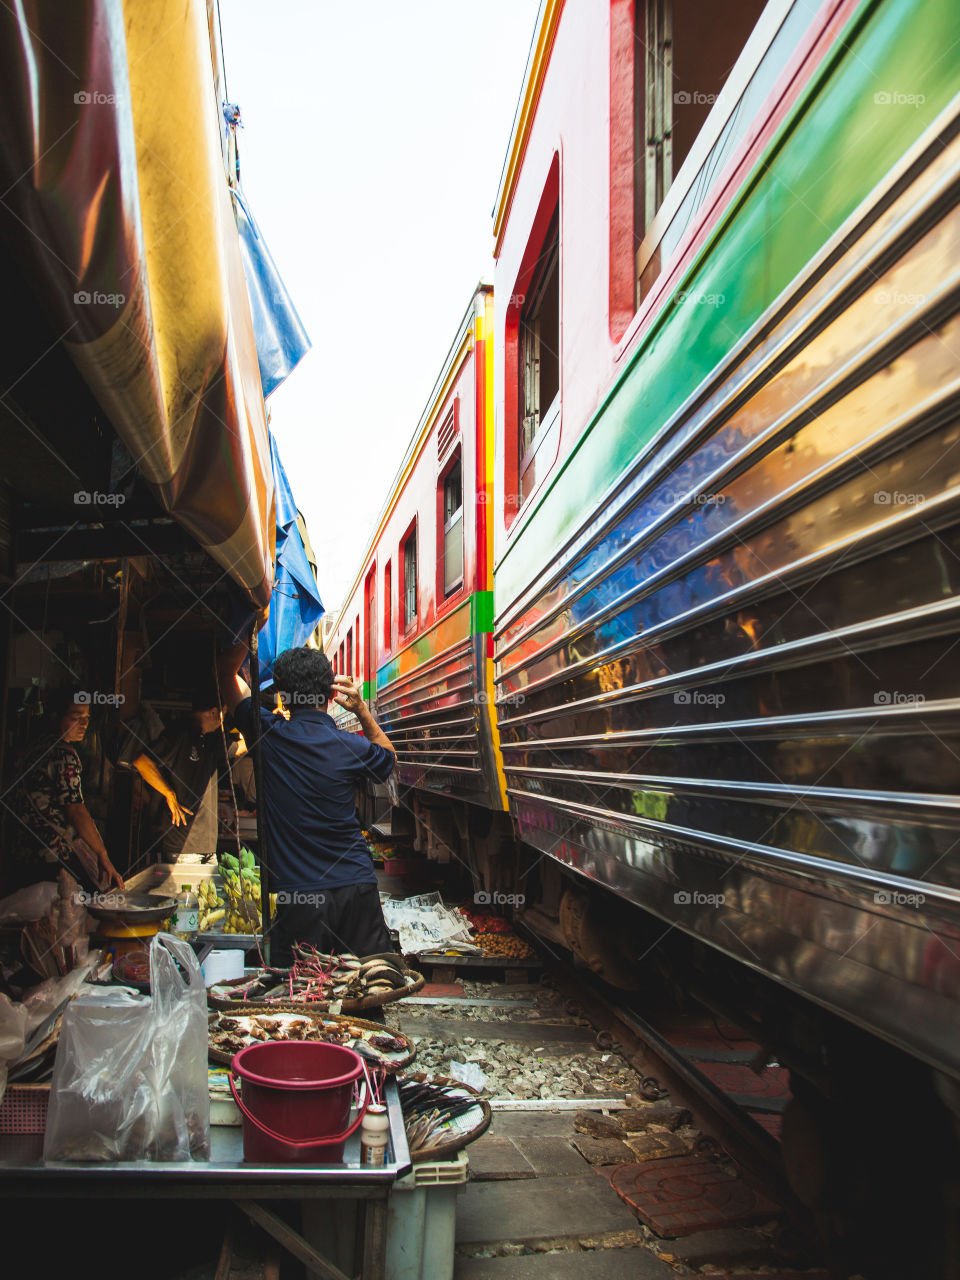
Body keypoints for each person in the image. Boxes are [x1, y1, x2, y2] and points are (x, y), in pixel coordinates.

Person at [217, 641, 396, 964]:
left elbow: (227, 676)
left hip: (300, 897)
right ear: (331, 695)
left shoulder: (268, 734)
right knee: (370, 987)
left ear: (283, 699)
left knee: (299, 996)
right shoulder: (350, 746)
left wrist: (252, 622)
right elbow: (389, 758)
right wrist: (362, 710)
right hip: (356, 887)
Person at [6, 690, 124, 893]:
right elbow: (75, 810)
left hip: (19, 852)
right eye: (76, 717)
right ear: (55, 716)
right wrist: (102, 855)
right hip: (50, 856)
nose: (84, 725)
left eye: (86, 718)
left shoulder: (34, 747)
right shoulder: (63, 755)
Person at [131, 694, 228, 860]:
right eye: (223, 715)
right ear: (213, 713)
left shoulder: (209, 739)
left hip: (206, 846)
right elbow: (142, 762)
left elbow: (241, 747)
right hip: (181, 845)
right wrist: (169, 793)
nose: (222, 722)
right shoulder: (179, 734)